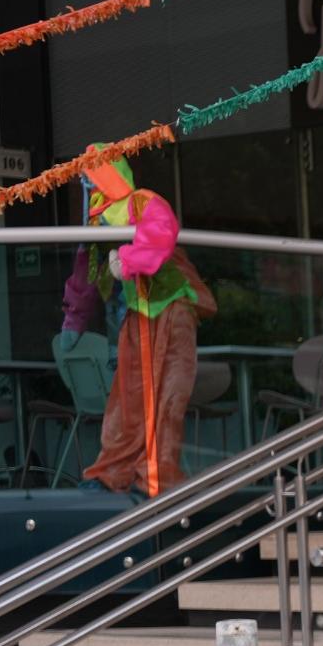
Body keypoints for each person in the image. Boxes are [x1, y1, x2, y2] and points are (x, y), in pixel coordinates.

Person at [78, 153, 214, 497]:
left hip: (171, 306)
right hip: (138, 314)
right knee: (128, 397)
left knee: (168, 395)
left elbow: (161, 234)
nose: (87, 183)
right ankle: (114, 472)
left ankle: (156, 475)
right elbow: (88, 271)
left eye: (91, 176)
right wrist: (76, 315)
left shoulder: (144, 201)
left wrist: (127, 260)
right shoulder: (97, 217)